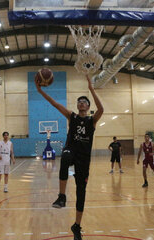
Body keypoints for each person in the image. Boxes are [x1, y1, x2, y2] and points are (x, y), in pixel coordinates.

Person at [35, 75, 104, 240]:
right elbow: (54, 103)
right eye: (79, 101)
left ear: (88, 106)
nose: (81, 103)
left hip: (84, 159)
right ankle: (62, 196)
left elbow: (101, 110)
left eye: (84, 101)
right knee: (65, 158)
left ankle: (76, 226)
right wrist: (39, 90)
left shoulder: (92, 121)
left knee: (81, 193)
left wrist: (91, 88)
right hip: (71, 151)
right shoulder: (71, 116)